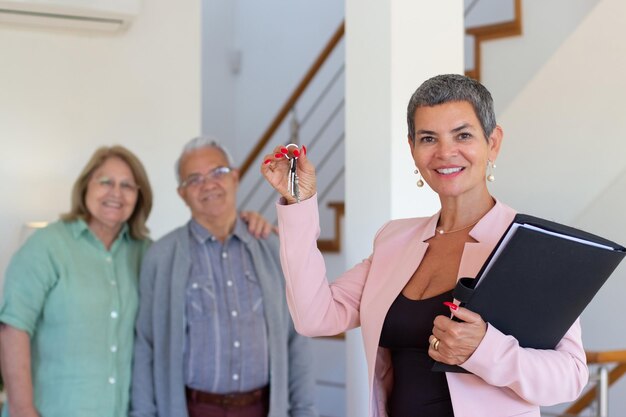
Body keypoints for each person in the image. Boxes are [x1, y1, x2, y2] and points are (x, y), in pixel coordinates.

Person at [260, 74, 588, 417]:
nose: (445, 152)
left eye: (463, 135)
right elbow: (315, 317)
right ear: (412, 149)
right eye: (428, 138)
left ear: (493, 143)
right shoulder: (394, 240)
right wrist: (299, 205)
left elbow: (570, 376)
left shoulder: (529, 246)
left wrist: (485, 349)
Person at [0, 145, 272, 417]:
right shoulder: (47, 246)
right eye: (105, 182)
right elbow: (13, 326)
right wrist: (22, 409)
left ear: (138, 197)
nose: (115, 193)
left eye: (128, 186)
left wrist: (245, 223)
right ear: (85, 187)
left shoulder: (147, 254)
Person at [131, 137, 317, 417]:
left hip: (263, 408)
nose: (208, 185)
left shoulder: (270, 248)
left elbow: (297, 339)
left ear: (235, 177)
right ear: (182, 193)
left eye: (217, 172)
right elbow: (145, 345)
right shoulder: (161, 257)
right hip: (193, 408)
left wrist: (304, 411)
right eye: (194, 179)